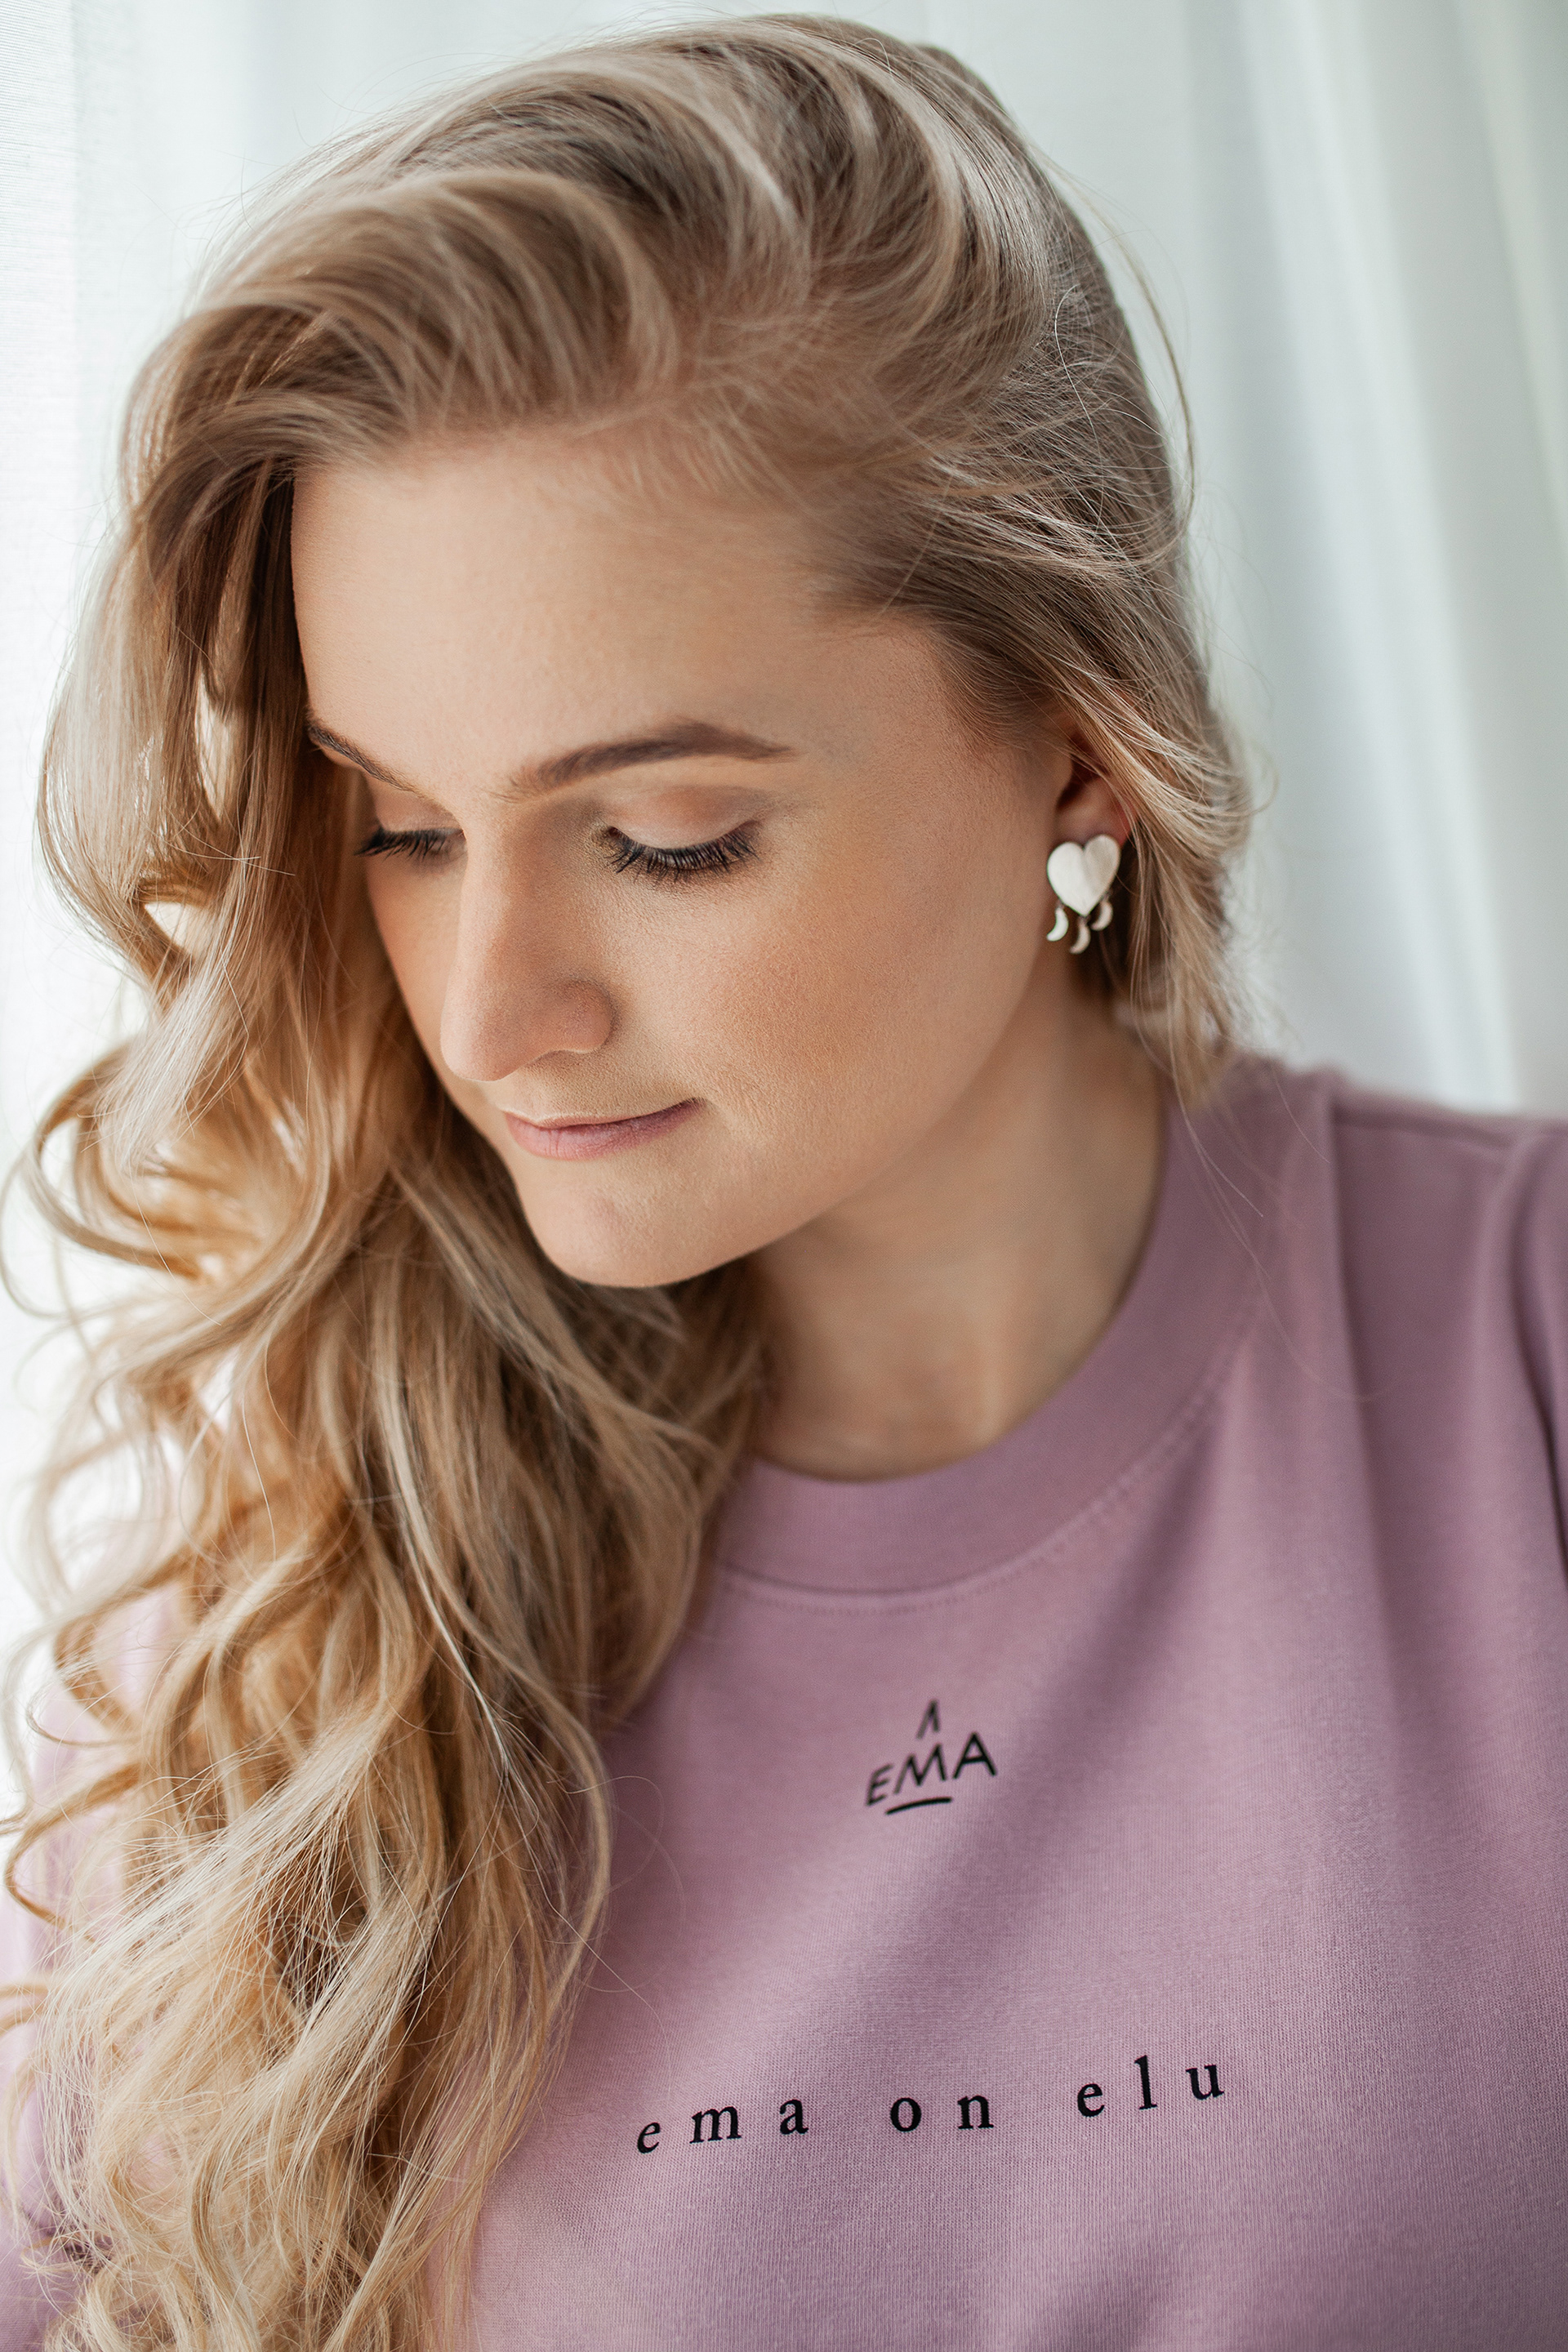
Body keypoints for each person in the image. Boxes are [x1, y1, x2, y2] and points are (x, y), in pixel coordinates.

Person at [3, 16, 1566, 2349]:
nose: (492, 1009)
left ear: (1079, 743)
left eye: (667, 838)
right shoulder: (275, 1622)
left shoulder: (1523, 1352)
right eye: (401, 827)